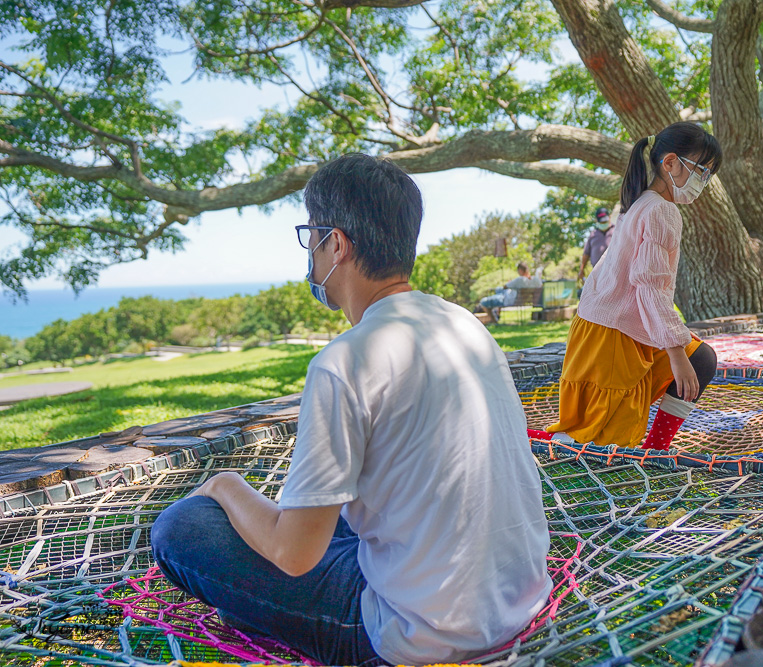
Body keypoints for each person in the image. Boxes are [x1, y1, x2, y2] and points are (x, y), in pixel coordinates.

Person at [151, 154, 552, 667]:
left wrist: (225, 483)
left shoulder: (344, 361)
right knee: (322, 508)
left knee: (184, 526)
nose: (311, 252)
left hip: (419, 635)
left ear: (335, 244)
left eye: (311, 236)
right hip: (516, 599)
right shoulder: (465, 326)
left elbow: (295, 555)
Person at [545, 122, 721, 450]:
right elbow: (649, 286)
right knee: (596, 444)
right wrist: (674, 352)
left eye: (709, 174)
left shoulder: (642, 202)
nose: (704, 182)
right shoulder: (661, 210)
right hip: (610, 336)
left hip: (611, 327)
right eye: (701, 170)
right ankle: (564, 440)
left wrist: (679, 350)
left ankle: (656, 448)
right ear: (669, 163)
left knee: (701, 358)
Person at [477, 261, 543, 323]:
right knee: (499, 291)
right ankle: (497, 314)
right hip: (523, 300)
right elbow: (541, 286)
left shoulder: (520, 280)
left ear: (520, 270)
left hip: (509, 300)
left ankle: (494, 320)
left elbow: (505, 286)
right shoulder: (536, 280)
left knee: (484, 301)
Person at [577, 207, 615, 283]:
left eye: (605, 221)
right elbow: (586, 253)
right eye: (602, 222)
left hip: (614, 271)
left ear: (609, 218)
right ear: (597, 221)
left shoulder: (617, 230)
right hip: (598, 273)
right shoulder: (593, 234)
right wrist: (582, 269)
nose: (604, 223)